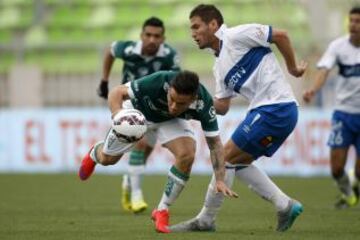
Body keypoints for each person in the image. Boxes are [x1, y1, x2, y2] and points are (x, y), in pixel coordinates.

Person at [170, 4, 307, 232]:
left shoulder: (236, 35)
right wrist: (192, 101)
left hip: (276, 107)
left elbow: (281, 35)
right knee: (238, 162)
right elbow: (222, 106)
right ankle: (284, 205)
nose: (192, 33)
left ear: (213, 24)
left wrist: (292, 68)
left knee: (223, 157)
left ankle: (206, 220)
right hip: (267, 111)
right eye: (190, 28)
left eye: (196, 26)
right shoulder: (218, 66)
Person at [79, 70, 238, 233]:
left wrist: (219, 179)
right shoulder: (158, 81)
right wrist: (118, 116)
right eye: (172, 99)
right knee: (108, 160)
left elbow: (215, 144)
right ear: (169, 90)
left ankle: (162, 210)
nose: (174, 106)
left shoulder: (203, 103)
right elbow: (116, 92)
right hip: (137, 114)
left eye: (181, 104)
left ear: (193, 99)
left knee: (187, 154)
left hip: (170, 121)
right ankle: (94, 153)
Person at [97, 17, 180, 213]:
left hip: (154, 107)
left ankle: (128, 180)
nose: (152, 39)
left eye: (156, 36)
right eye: (148, 35)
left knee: (146, 151)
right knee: (140, 143)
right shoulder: (128, 49)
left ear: (163, 38)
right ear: (141, 36)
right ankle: (136, 196)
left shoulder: (169, 56)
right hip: (129, 102)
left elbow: (177, 82)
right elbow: (110, 51)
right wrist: (104, 80)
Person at [303, 6, 360, 209]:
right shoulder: (338, 46)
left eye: (358, 21)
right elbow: (324, 70)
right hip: (343, 114)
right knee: (336, 168)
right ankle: (349, 194)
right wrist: (313, 90)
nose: (353, 25)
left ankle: (355, 186)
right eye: (351, 20)